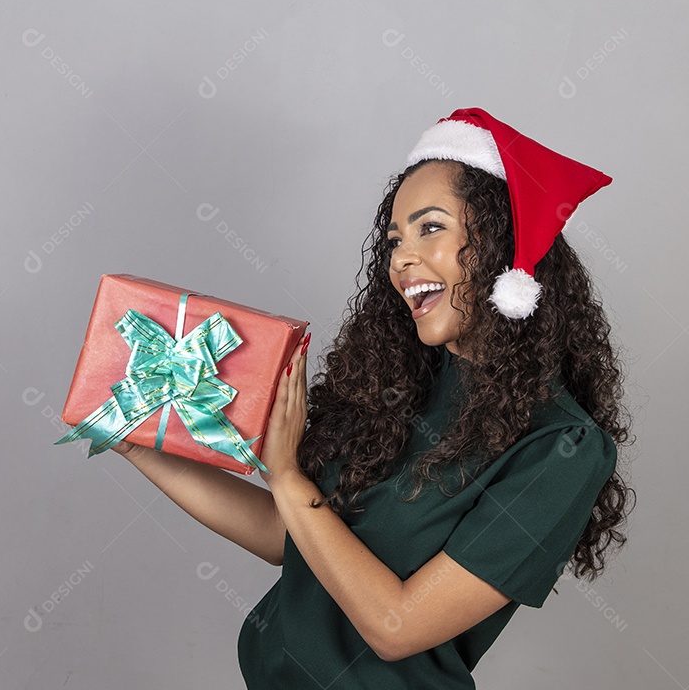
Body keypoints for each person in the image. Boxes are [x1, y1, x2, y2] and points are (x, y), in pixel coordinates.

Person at [112, 107, 636, 689]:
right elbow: (287, 534)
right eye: (395, 240)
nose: (401, 259)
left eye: (430, 228)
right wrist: (140, 445)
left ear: (503, 244)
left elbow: (397, 626)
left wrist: (284, 475)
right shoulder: (395, 392)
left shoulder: (563, 447)